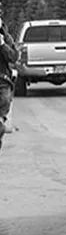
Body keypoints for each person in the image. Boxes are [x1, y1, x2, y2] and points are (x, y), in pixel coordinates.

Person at [0, 17, 18, 154]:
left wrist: (2, 45)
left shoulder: (5, 37)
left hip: (2, 81)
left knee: (5, 100)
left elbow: (13, 57)